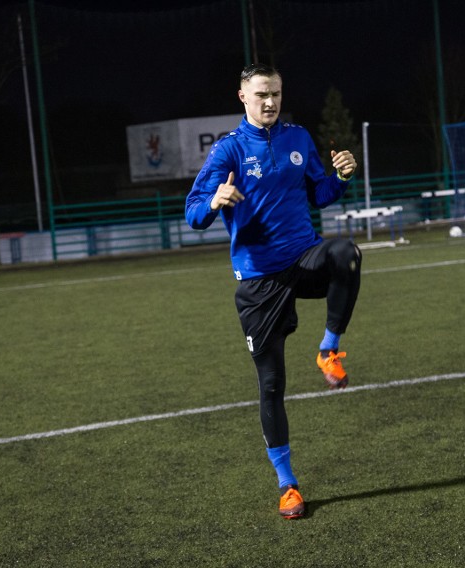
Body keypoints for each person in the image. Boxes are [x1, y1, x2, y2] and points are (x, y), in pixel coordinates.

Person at [185, 63, 361, 519]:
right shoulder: (228, 151)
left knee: (345, 254)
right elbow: (192, 213)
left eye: (277, 93)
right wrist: (213, 202)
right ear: (242, 96)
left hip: (304, 259)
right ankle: (287, 484)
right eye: (262, 94)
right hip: (259, 281)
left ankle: (329, 349)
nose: (270, 102)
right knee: (271, 385)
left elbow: (319, 194)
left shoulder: (298, 138)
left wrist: (340, 177)